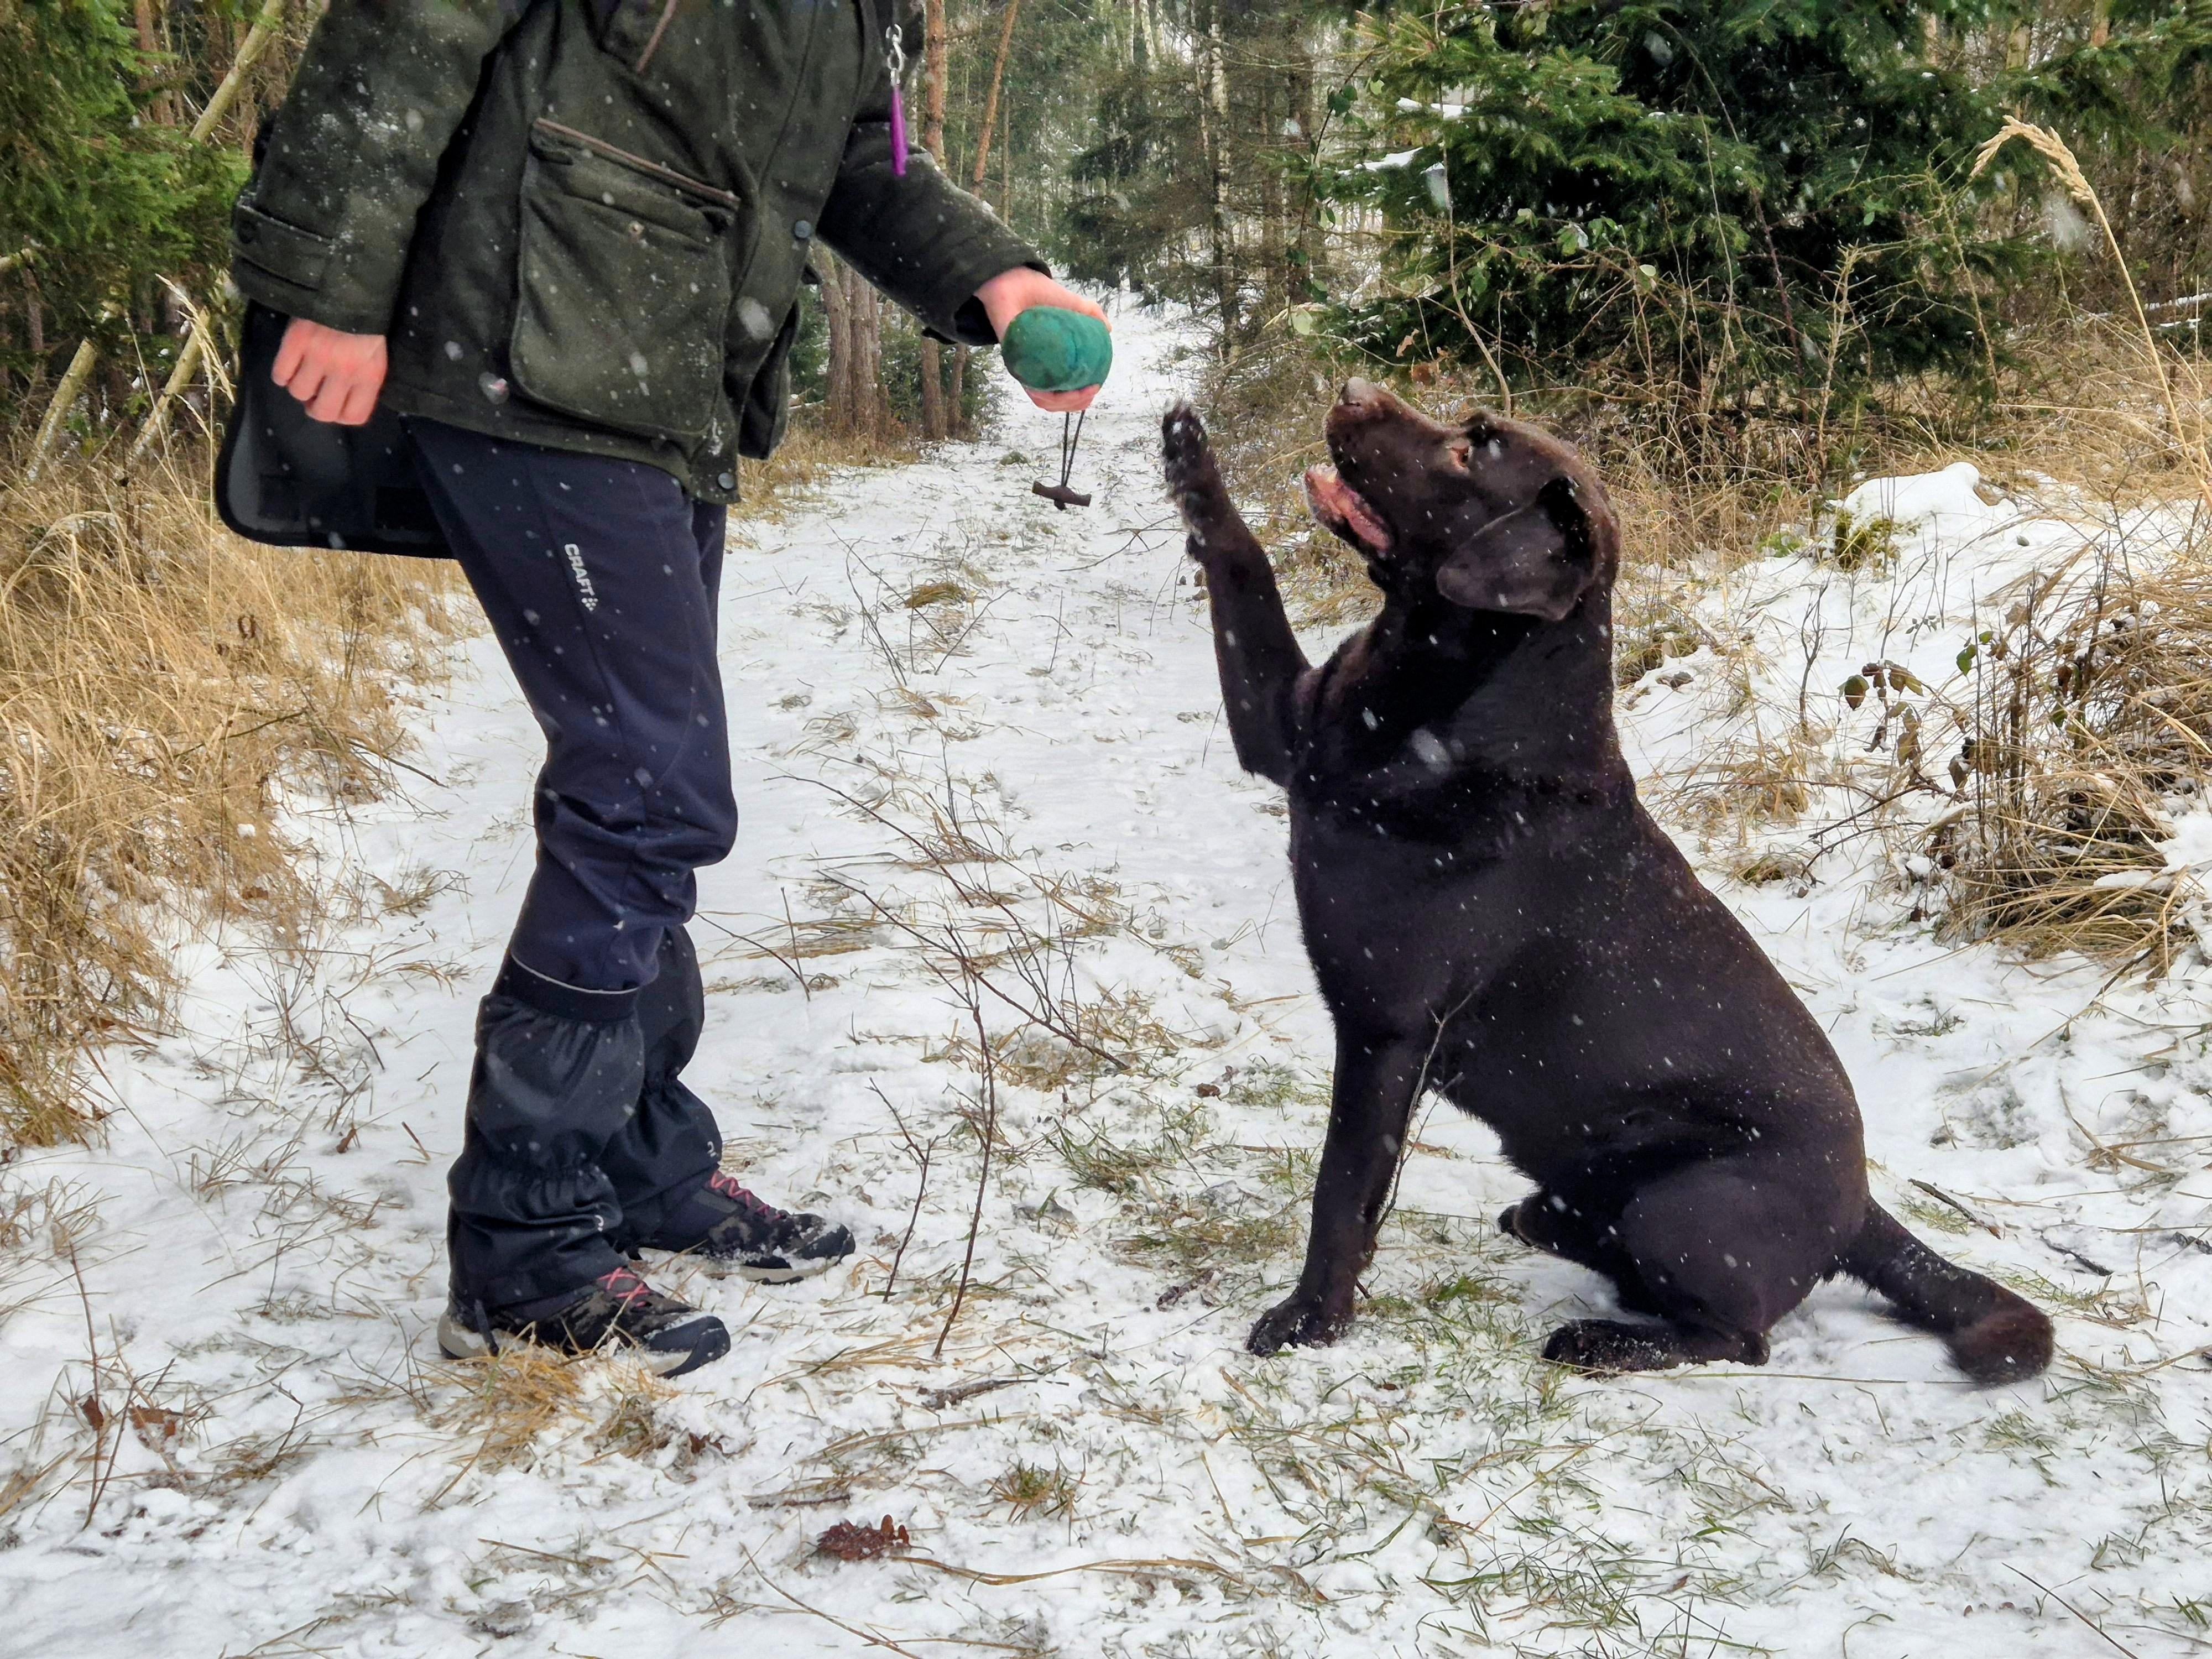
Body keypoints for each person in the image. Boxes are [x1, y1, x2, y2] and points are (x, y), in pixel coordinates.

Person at [231, 0, 1108, 1377]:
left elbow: (856, 155)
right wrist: (333, 288)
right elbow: (407, 29)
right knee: (647, 789)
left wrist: (997, 277)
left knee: (639, 781)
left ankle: (641, 1165)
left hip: (655, 380)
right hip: (526, 348)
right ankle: (523, 1252)